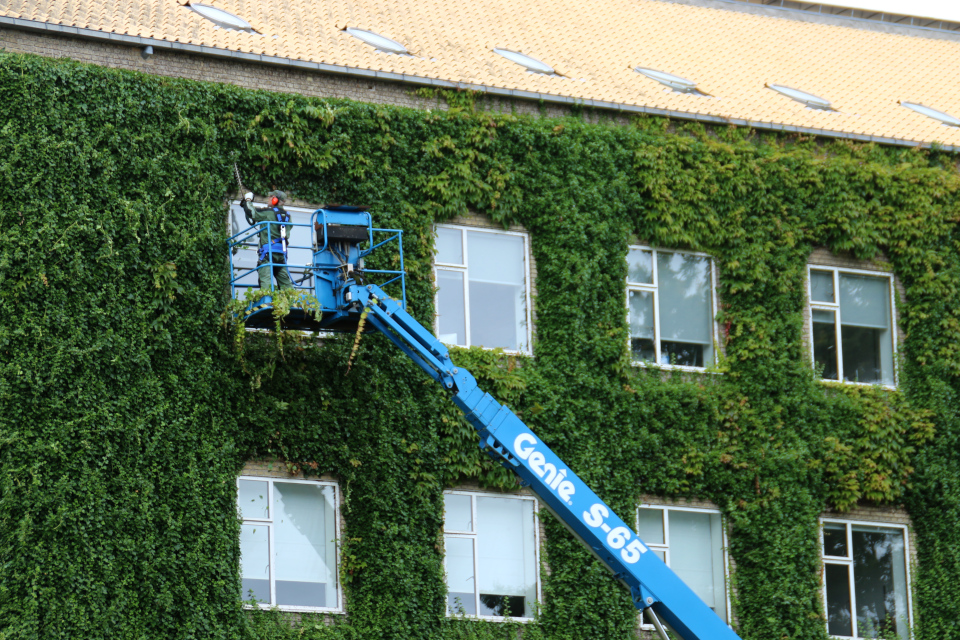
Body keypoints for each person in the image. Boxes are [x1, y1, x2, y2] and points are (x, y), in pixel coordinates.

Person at [241, 190, 294, 291]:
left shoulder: (268, 213)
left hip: (267, 254)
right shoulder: (288, 216)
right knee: (286, 284)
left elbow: (253, 213)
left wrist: (248, 200)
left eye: (271, 197)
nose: (268, 199)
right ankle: (294, 301)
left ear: (275, 200)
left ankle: (267, 301)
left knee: (266, 282)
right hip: (281, 255)